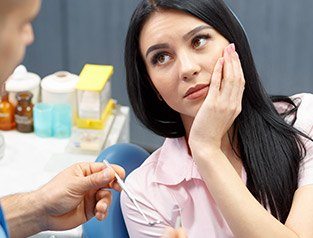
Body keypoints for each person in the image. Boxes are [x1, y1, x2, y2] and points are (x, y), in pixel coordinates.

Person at [121, 0, 313, 237]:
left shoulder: (305, 120)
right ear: (152, 86)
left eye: (198, 41)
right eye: (161, 57)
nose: (187, 68)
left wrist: (206, 149)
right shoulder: (143, 195)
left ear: (234, 43)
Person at [0, 0, 186, 237]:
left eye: (199, 41)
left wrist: (38, 209)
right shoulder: (148, 194)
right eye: (22, 23)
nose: (30, 37)